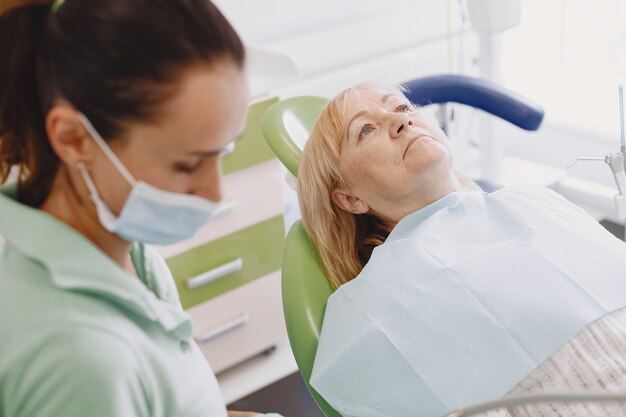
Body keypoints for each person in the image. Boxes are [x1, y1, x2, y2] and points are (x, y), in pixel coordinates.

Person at [0, 1, 282, 416]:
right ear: (75, 139)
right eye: (188, 164)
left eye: (223, 152)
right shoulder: (79, 358)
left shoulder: (125, 251)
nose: (214, 192)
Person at [297, 82, 626, 417]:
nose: (401, 122)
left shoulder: (531, 201)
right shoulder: (370, 309)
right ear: (349, 199)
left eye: (402, 108)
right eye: (366, 130)